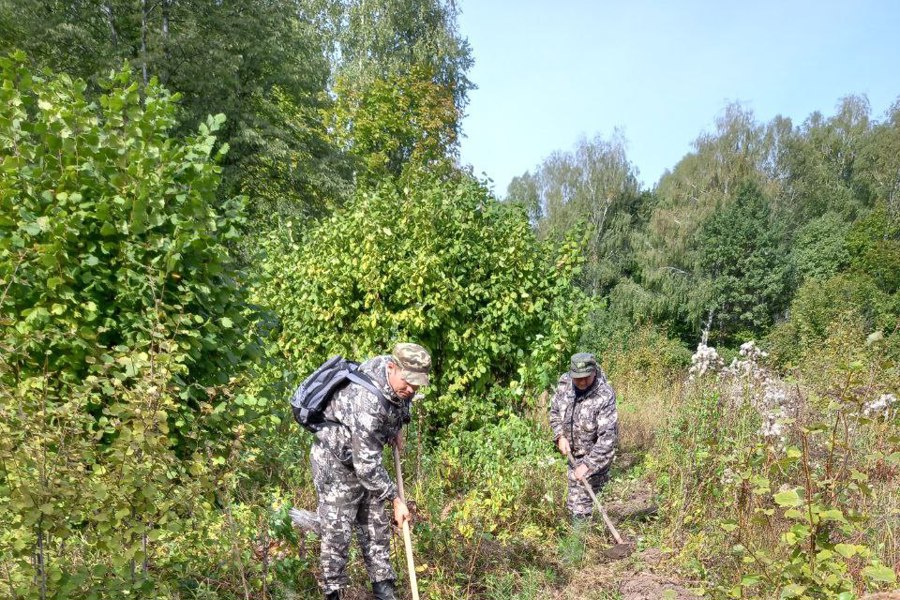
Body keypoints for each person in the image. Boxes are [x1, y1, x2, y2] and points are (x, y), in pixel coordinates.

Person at [311, 342, 431, 600]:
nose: (411, 389)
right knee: (337, 535)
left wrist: (396, 427)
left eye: (417, 385)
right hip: (336, 465)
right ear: (392, 368)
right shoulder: (367, 402)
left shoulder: (399, 384)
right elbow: (366, 467)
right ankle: (333, 594)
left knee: (377, 528)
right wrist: (396, 500)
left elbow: (397, 403)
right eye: (408, 382)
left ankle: (384, 592)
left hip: (366, 458)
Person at [549, 352, 618, 524]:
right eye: (577, 378)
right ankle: (585, 535)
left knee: (581, 503)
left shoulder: (604, 395)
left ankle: (578, 546)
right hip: (573, 454)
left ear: (594, 371)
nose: (581, 382)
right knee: (574, 502)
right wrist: (560, 436)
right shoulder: (564, 384)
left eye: (586, 377)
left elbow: (608, 439)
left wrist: (588, 465)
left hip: (595, 456)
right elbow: (555, 412)